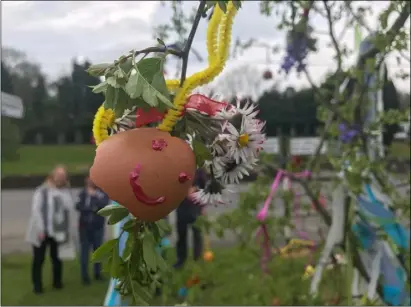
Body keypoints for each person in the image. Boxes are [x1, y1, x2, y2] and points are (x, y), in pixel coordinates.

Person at [26, 165, 74, 294]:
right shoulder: (42, 191)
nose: (60, 179)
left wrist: (64, 191)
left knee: (57, 258)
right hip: (41, 231)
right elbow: (36, 211)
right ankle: (37, 286)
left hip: (57, 231)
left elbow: (69, 207)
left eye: (63, 177)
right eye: (58, 176)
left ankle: (57, 283)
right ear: (52, 176)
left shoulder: (65, 191)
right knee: (39, 259)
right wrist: (41, 229)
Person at [75, 176, 109, 285]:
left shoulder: (102, 193)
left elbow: (103, 204)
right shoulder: (82, 193)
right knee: (85, 251)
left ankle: (97, 273)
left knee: (98, 251)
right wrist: (92, 208)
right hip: (84, 227)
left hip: (97, 226)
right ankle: (84, 276)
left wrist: (93, 200)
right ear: (86, 180)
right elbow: (77, 206)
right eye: (89, 179)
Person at [174, 168, 207, 269]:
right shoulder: (180, 166)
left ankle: (197, 259)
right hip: (182, 206)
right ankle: (181, 260)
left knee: (197, 234)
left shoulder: (200, 169)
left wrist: (195, 189)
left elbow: (205, 187)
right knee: (181, 234)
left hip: (195, 206)